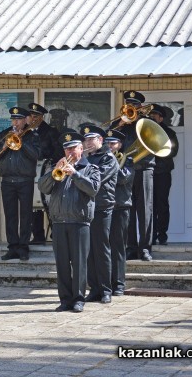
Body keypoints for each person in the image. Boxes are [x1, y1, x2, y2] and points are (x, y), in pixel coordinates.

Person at [38, 130, 100, 312]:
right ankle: (65, 299)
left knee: (80, 263)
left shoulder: (91, 169)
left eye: (73, 149)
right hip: (59, 222)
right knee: (62, 263)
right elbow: (43, 187)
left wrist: (75, 174)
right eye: (67, 150)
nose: (70, 153)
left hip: (79, 222)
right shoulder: (58, 168)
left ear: (81, 149)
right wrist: (52, 173)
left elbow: (93, 189)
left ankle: (79, 298)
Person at [0, 106, 41, 261]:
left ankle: (23, 247)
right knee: (10, 215)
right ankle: (12, 247)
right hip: (8, 181)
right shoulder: (4, 135)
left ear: (26, 120)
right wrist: (5, 145)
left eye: (19, 119)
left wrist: (22, 141)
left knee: (26, 215)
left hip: (25, 180)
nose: (16, 122)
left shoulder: (33, 136)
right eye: (14, 119)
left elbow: (36, 155)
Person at [80, 125, 118, 304]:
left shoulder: (108, 158)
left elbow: (96, 179)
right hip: (87, 207)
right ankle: (93, 288)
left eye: (91, 139)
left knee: (102, 249)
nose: (87, 142)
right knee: (89, 251)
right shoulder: (87, 158)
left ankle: (105, 289)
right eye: (86, 139)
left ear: (100, 140)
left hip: (102, 207)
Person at [116, 91, 155, 261]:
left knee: (145, 209)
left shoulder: (148, 122)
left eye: (134, 105)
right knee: (128, 209)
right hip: (126, 169)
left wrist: (138, 120)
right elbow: (108, 139)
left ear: (140, 107)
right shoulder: (123, 123)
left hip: (145, 168)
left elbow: (155, 142)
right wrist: (119, 124)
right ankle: (131, 247)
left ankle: (145, 248)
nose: (131, 108)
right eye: (128, 104)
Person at [27, 103, 62, 245]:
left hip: (46, 169)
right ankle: (38, 236)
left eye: (36, 116)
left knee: (49, 202)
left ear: (41, 117)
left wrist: (46, 158)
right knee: (33, 205)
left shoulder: (51, 132)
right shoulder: (26, 132)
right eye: (31, 116)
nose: (33, 119)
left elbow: (58, 152)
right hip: (30, 170)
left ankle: (56, 233)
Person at [105, 129, 134, 296]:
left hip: (120, 207)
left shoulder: (128, 160)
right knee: (103, 248)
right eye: (107, 143)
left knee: (118, 248)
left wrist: (112, 163)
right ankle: (105, 282)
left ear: (120, 145)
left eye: (113, 143)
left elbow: (123, 178)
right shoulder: (103, 160)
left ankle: (119, 284)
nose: (109, 146)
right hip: (105, 207)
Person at [150, 105, 179, 245]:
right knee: (150, 206)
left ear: (161, 118)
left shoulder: (170, 133)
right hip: (148, 173)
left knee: (162, 205)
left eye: (155, 115)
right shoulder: (147, 131)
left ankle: (162, 235)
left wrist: (158, 150)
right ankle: (150, 235)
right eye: (151, 115)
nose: (152, 117)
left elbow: (173, 152)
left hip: (162, 173)